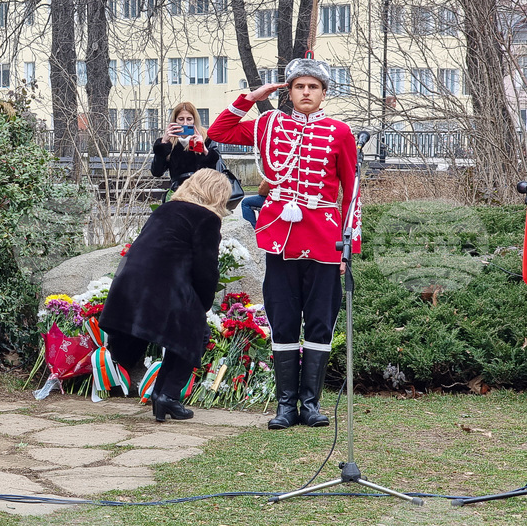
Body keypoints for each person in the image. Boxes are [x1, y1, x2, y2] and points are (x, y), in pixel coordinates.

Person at [207, 57, 360, 430]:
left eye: (313, 87)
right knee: (283, 321)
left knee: (320, 323)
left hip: (324, 240)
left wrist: (348, 248)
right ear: (289, 92)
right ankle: (286, 406)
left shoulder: (340, 132)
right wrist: (251, 97)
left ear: (323, 93)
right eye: (299, 86)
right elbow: (218, 130)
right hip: (281, 239)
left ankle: (311, 405)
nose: (306, 92)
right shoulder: (268, 125)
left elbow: (352, 192)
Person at [99, 169, 231, 422]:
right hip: (165, 286)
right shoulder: (207, 218)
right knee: (197, 333)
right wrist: (203, 304)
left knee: (183, 333)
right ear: (218, 194)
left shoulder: (166, 209)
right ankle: (166, 395)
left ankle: (163, 395)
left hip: (133, 282)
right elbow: (206, 269)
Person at [151, 102, 220, 198]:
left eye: (189, 119)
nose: (185, 123)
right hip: (178, 193)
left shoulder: (206, 138)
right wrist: (163, 145)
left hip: (202, 192)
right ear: (175, 120)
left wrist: (204, 150)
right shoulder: (170, 141)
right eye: (181, 119)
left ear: (194, 120)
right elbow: (157, 172)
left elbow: (216, 170)